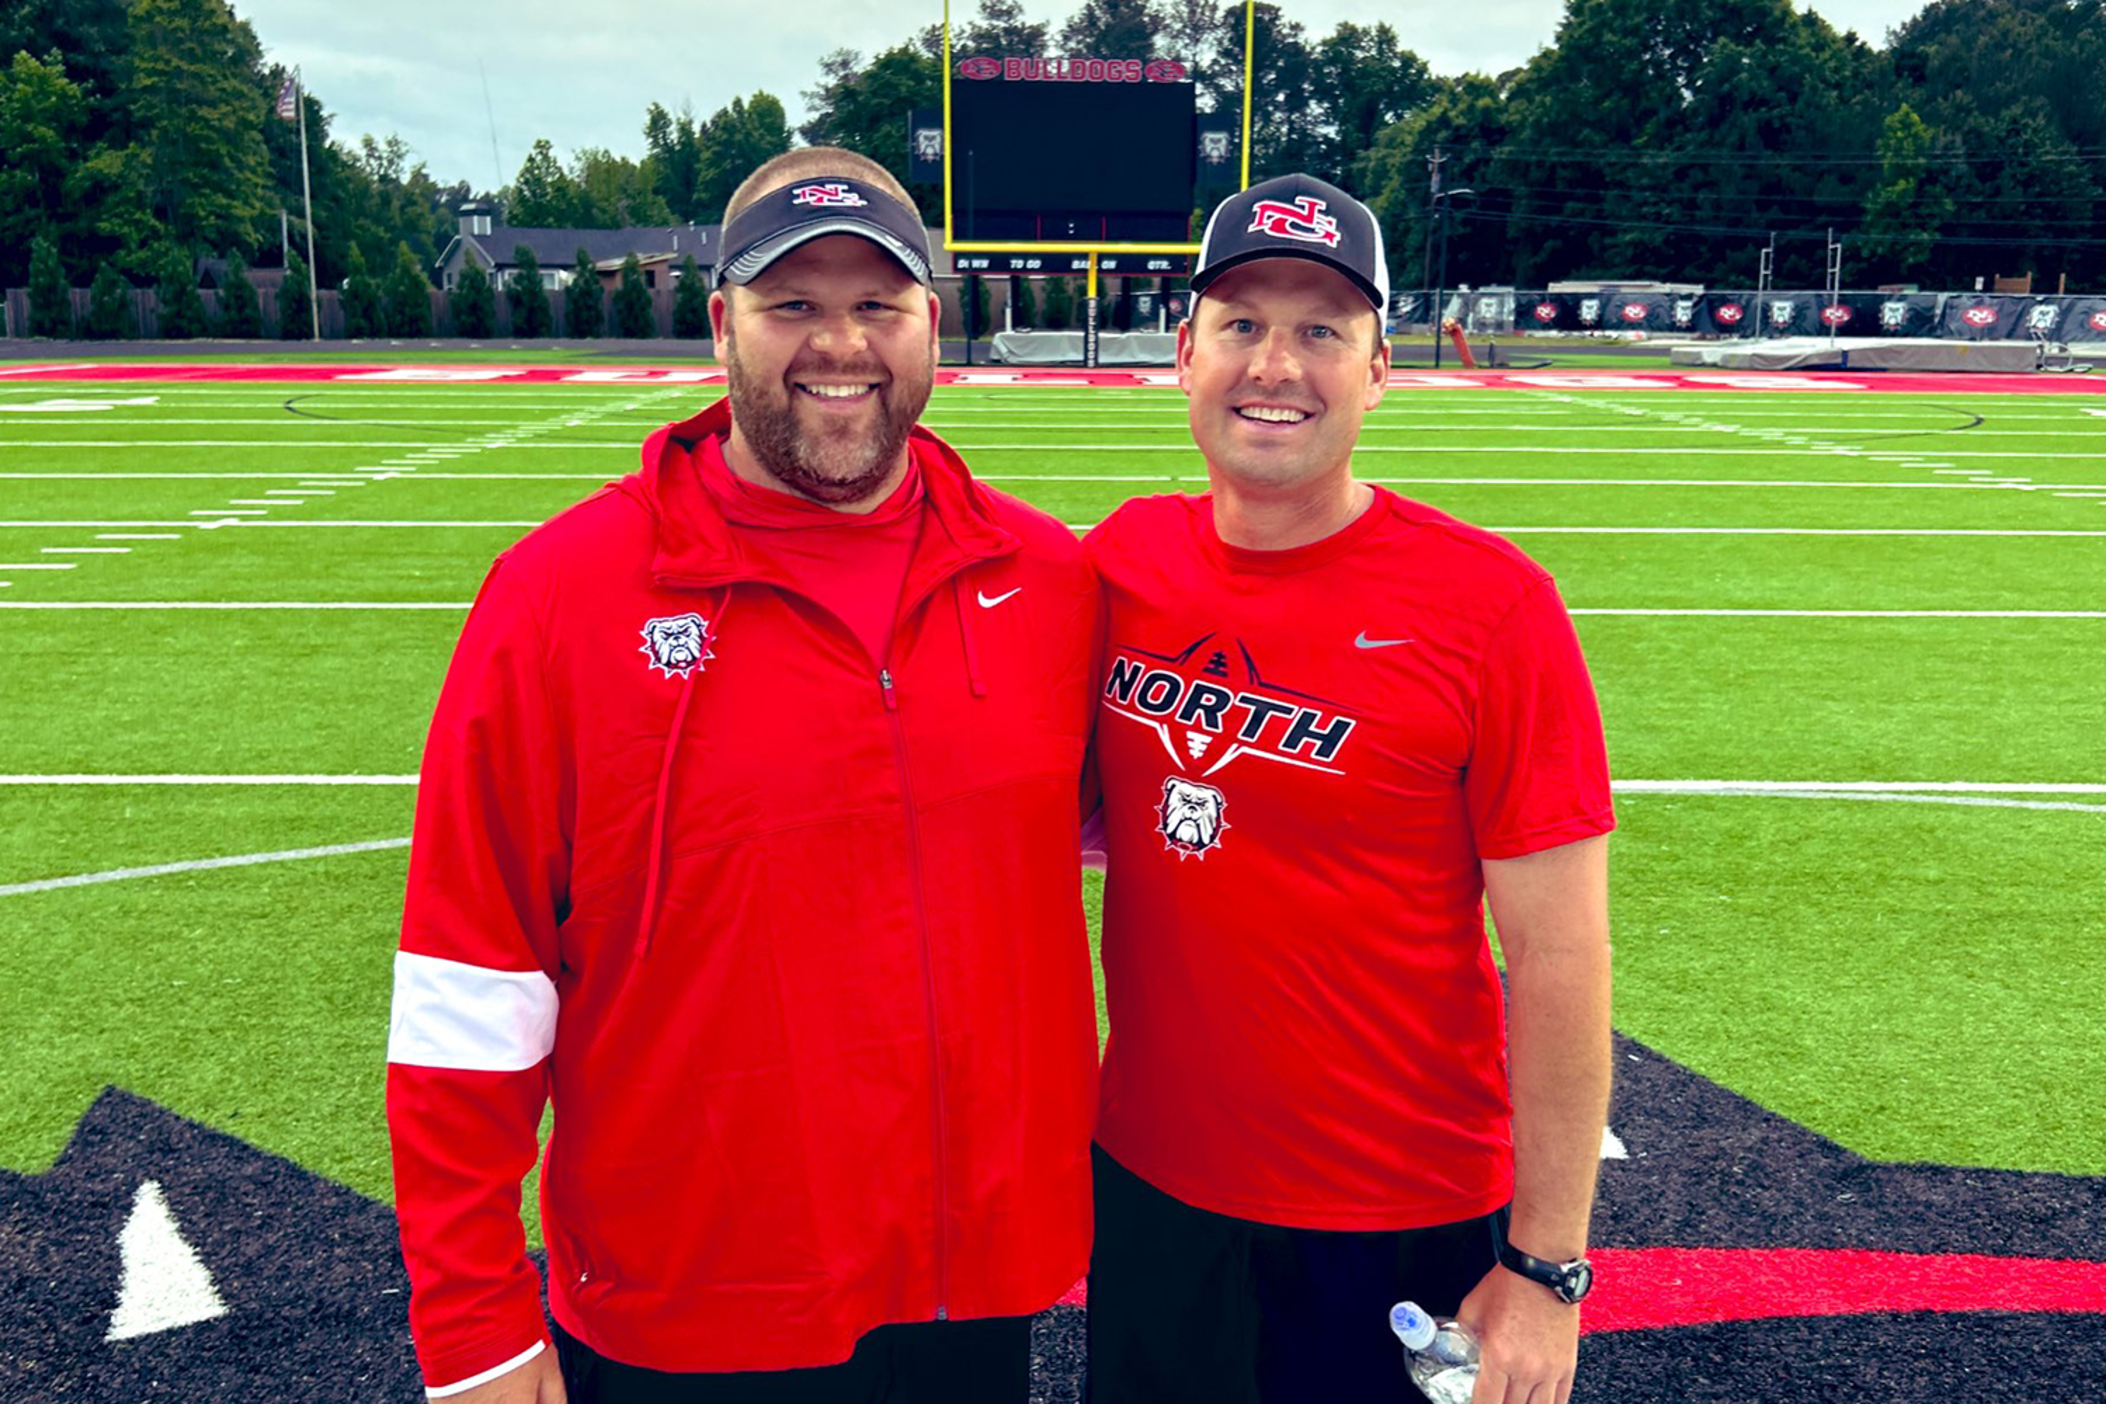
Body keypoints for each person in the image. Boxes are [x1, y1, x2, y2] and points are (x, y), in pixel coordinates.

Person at [386, 147, 1101, 1404]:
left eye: (878, 303)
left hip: (971, 1286)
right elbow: (468, 980)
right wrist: (474, 1332)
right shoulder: (559, 596)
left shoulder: (1048, 581)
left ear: (936, 322)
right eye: (794, 305)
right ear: (722, 325)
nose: (842, 344)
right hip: (689, 1309)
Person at [1083, 173, 1615, 1404]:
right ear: (1186, 355)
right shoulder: (1119, 566)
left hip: (1401, 1208)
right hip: (1156, 1191)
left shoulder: (1493, 609)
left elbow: (1558, 956)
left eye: (1322, 329)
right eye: (1244, 325)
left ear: (1380, 367)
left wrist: (1547, 1266)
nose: (1278, 363)